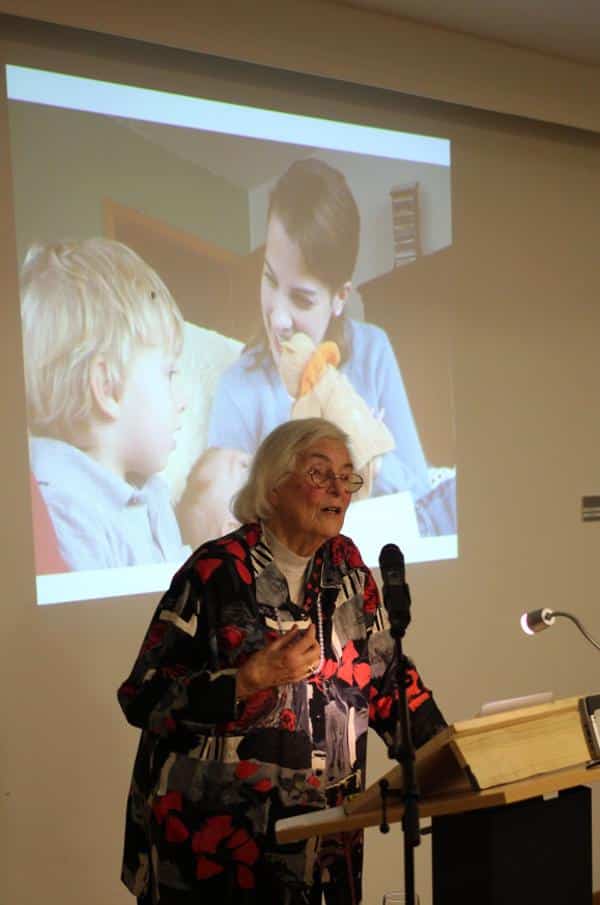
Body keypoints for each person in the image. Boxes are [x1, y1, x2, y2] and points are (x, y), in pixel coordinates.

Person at [118, 417, 446, 905]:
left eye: (347, 475)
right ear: (273, 487)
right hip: (216, 850)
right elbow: (142, 697)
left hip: (320, 847)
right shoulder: (215, 572)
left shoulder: (348, 568)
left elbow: (387, 679)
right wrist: (244, 682)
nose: (339, 487)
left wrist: (445, 754)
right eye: (319, 473)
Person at [206, 157, 431, 504]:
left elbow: (421, 491)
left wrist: (369, 454)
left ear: (339, 297)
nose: (278, 319)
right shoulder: (239, 387)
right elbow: (226, 520)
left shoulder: (373, 350)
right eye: (269, 278)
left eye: (302, 298)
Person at [21, 238, 190, 571]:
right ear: (108, 387)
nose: (183, 401)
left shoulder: (154, 494)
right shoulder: (67, 510)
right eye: (168, 373)